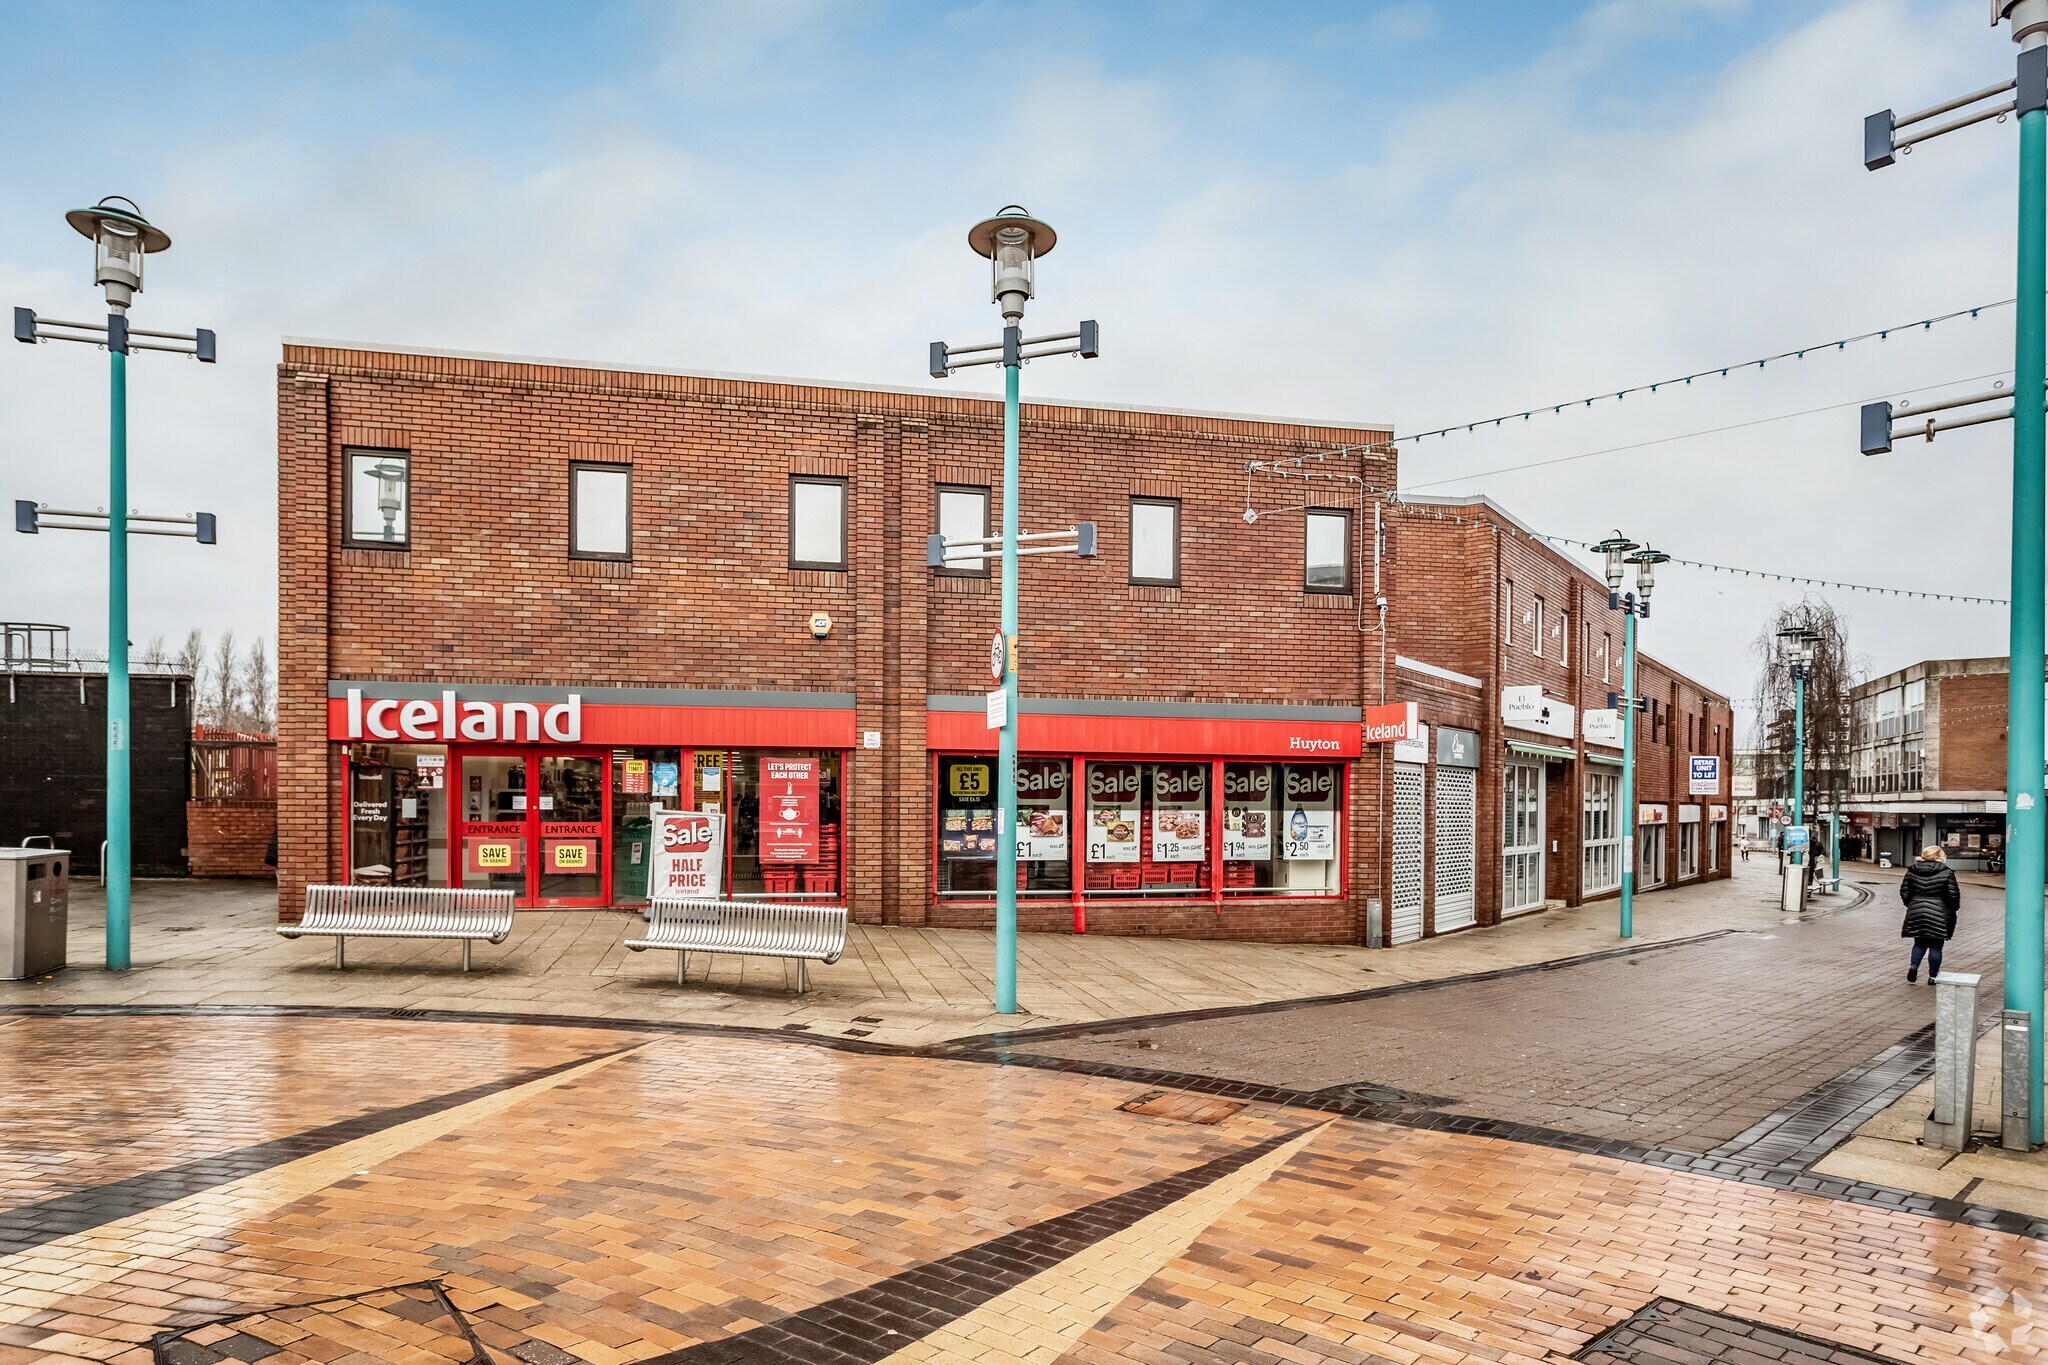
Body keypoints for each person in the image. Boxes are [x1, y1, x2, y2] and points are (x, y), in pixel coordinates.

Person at [1900, 844, 1961, 983]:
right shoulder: (1947, 872)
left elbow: (1904, 891)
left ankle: (1914, 966)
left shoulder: (1912, 871)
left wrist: (1911, 905)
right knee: (1936, 945)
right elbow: (1953, 895)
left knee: (1919, 942)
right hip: (1939, 912)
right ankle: (1933, 976)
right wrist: (1952, 908)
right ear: (1938, 857)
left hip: (1917, 910)